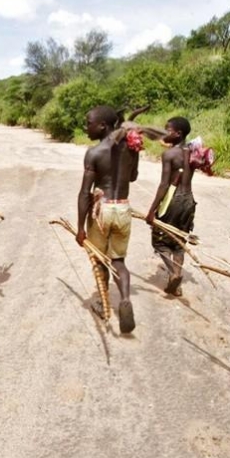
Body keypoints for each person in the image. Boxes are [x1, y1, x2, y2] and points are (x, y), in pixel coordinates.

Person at [76, 105, 140, 334]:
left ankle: (103, 304)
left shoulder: (94, 153)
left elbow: (85, 193)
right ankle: (124, 300)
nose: (86, 127)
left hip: (101, 211)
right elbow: (132, 177)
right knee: (119, 261)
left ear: (102, 126)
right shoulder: (131, 148)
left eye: (88, 122)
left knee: (101, 260)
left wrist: (80, 228)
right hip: (123, 208)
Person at [145, 117, 196, 296]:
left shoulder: (170, 155)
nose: (164, 133)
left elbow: (164, 185)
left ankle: (174, 274)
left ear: (178, 134)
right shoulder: (191, 151)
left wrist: (151, 211)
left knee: (159, 240)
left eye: (168, 130)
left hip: (172, 201)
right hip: (189, 200)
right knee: (179, 241)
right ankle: (178, 277)